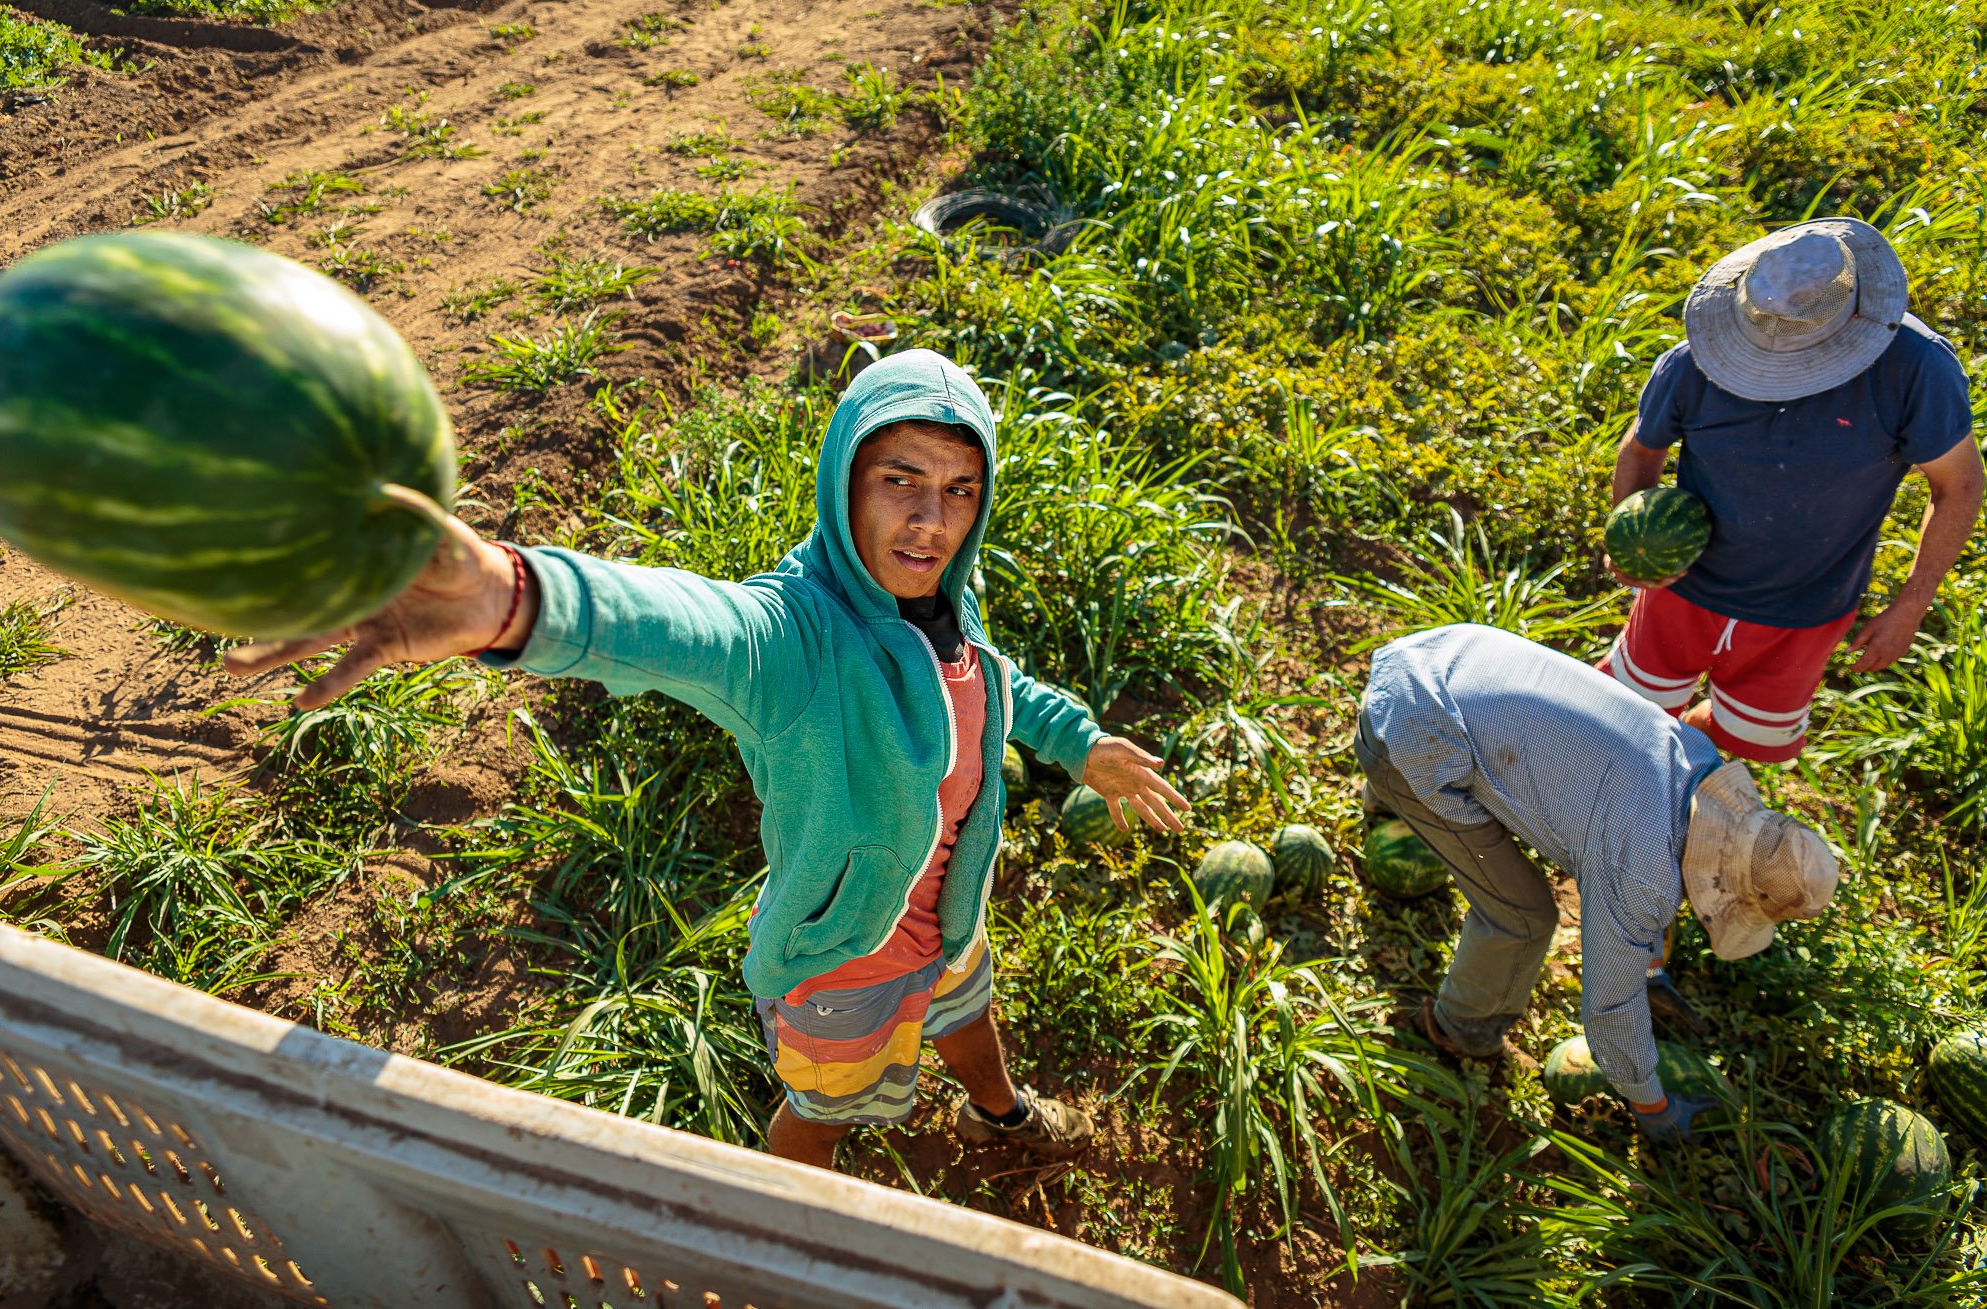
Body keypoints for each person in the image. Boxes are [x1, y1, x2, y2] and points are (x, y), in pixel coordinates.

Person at [225, 349, 1190, 1169]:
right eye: (901, 480)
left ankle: (1000, 1116)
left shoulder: (940, 600)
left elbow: (990, 674)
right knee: (825, 1106)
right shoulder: (794, 636)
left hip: (948, 915)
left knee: (965, 1007)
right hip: (839, 955)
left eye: (959, 490)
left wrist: (1079, 743)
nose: (932, 521)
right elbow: (690, 627)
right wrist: (517, 600)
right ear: (843, 480)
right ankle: (783, 1228)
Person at [1356, 623, 1839, 1145]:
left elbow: (1644, 869)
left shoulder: (1696, 761)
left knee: (1506, 783)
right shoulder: (1642, 868)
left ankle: (1385, 801)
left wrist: (1648, 969)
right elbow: (1608, 1010)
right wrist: (1653, 1106)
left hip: (1443, 653)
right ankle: (1459, 1031)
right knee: (1523, 918)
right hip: (1414, 729)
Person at [1602, 217, 1983, 763]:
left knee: (1750, 740)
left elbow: (1960, 485)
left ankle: (1683, 755)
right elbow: (1642, 448)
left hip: (1806, 607)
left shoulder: (1915, 369)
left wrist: (1910, 606)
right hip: (1681, 591)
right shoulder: (1694, 362)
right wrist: (1630, 541)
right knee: (1625, 713)